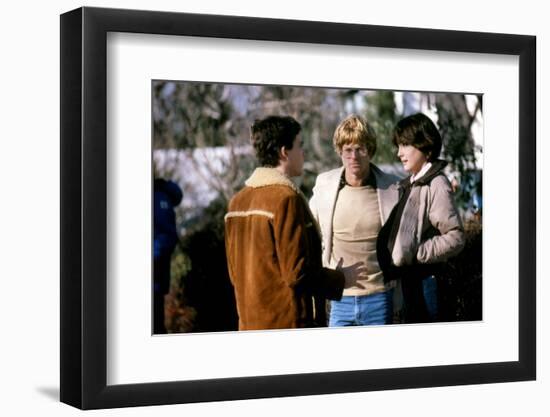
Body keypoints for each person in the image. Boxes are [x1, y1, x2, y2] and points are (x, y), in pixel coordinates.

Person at [224, 115, 345, 330]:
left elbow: (235, 275)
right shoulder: (286, 199)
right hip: (288, 324)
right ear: (284, 152)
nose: (303, 153)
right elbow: (297, 274)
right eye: (300, 145)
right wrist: (340, 279)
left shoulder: (236, 203)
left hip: (250, 324)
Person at [309, 115, 400, 326]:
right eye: (348, 150)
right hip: (340, 299)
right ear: (340, 152)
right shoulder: (324, 186)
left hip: (379, 297)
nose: (354, 156)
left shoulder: (393, 188)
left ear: (371, 150)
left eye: (360, 149)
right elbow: (308, 233)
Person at [377, 113, 465, 323]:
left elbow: (456, 237)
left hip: (426, 283)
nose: (399, 153)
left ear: (425, 145)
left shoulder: (436, 184)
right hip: (411, 282)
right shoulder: (413, 183)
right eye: (398, 146)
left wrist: (416, 253)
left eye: (405, 145)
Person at [153, 178, 183, 334]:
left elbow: (166, 236)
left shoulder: (159, 198)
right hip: (156, 278)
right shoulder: (159, 196)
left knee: (155, 327)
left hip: (154, 279)